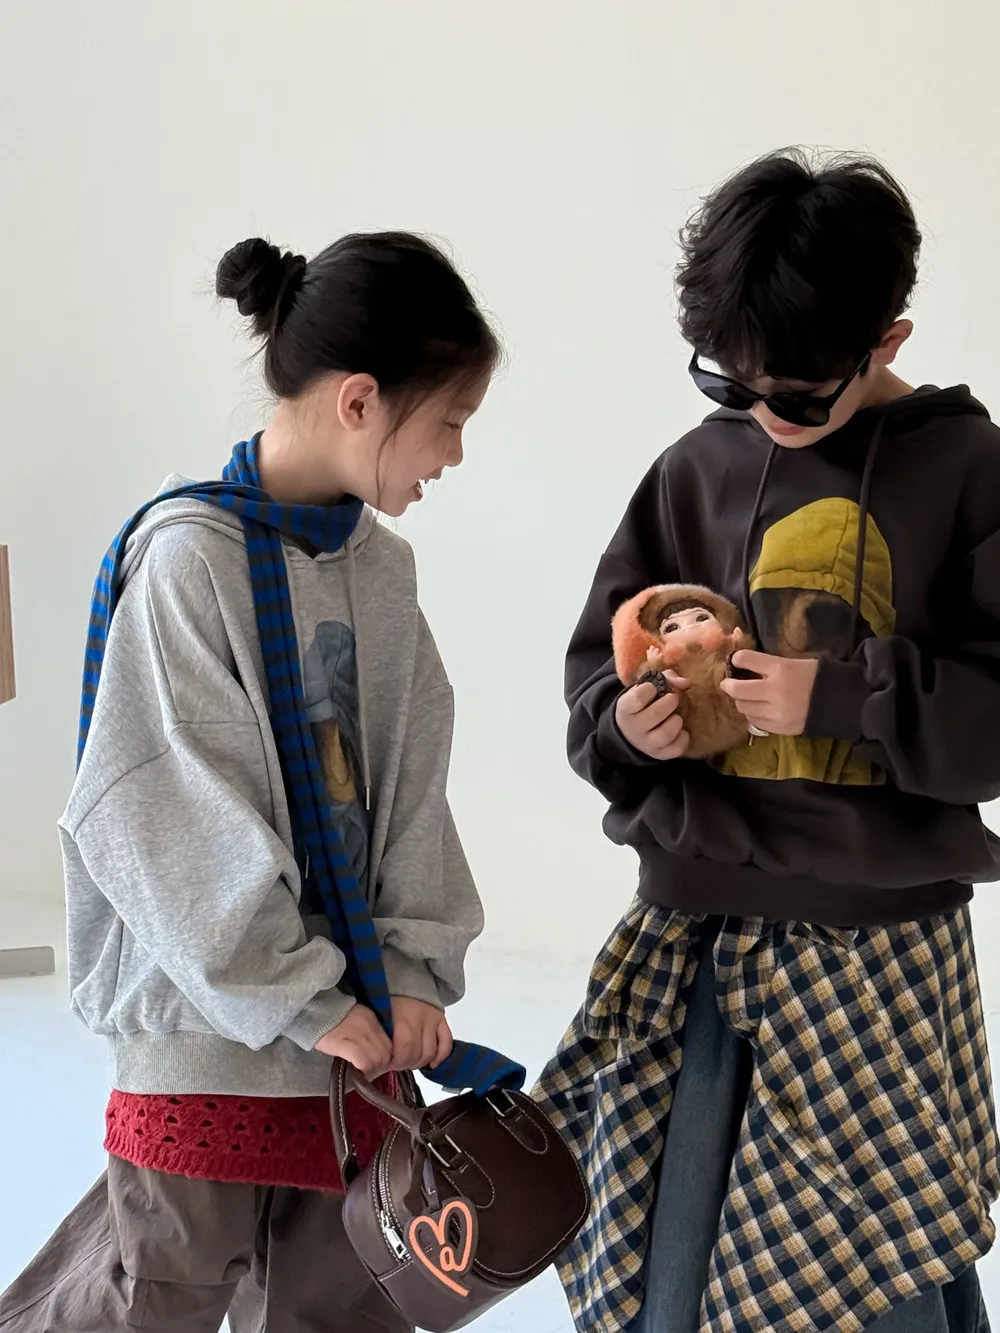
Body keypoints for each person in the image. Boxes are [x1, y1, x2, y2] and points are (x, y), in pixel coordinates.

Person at [0, 231, 500, 1332]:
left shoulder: (381, 569)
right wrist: (301, 996)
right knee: (155, 1302)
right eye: (450, 421)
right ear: (361, 400)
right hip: (210, 1050)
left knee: (345, 1306)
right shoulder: (187, 558)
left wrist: (412, 970)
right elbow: (157, 813)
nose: (456, 455)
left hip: (355, 1054)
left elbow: (414, 782)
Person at [535, 150, 1000, 1333]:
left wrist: (843, 700)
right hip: (697, 934)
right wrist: (627, 727)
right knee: (672, 1270)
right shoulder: (693, 471)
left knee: (871, 1281)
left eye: (797, 395)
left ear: (888, 340)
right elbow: (599, 668)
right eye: (729, 381)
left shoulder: (968, 471)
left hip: (876, 950)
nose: (761, 415)